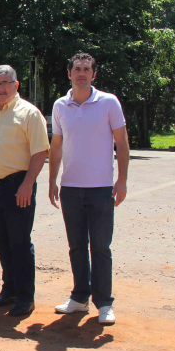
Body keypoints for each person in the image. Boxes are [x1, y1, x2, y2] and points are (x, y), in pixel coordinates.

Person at [49, 52, 129, 325]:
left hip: (101, 188)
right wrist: (52, 180)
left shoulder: (108, 102)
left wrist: (122, 180)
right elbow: (56, 146)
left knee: (100, 247)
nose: (81, 73)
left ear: (94, 74)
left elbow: (122, 142)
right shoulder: (60, 105)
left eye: (86, 69)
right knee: (76, 246)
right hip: (70, 188)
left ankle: (104, 303)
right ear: (69, 73)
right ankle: (80, 298)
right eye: (77, 69)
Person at [0, 66, 49, 317]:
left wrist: (28, 184)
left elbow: (40, 151)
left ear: (16, 85)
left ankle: (25, 297)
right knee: (1, 240)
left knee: (19, 242)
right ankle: (9, 289)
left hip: (18, 186)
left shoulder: (29, 113)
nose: (1, 87)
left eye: (6, 82)